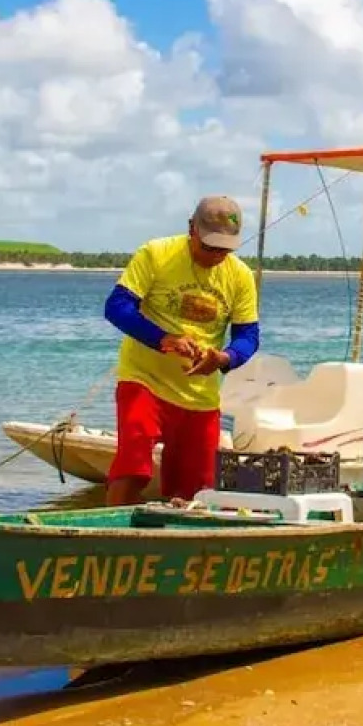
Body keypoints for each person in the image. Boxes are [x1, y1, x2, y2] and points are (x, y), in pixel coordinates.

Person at [102, 195, 261, 507]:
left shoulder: (240, 275)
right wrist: (164, 339)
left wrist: (225, 358)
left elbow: (248, 335)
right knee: (133, 466)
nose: (216, 256)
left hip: (199, 395)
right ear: (192, 229)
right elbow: (117, 307)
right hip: (144, 380)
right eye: (209, 246)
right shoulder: (156, 253)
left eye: (225, 249)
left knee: (195, 491)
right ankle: (111, 530)